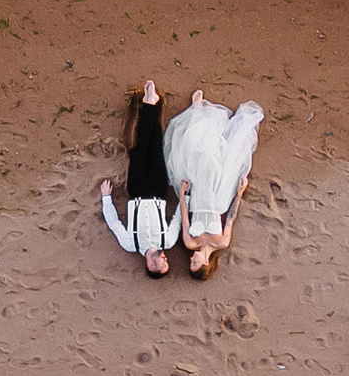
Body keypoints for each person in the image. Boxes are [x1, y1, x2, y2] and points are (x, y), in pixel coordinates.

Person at [163, 89, 264, 278]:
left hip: (198, 199)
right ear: (206, 263)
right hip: (219, 198)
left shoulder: (190, 243)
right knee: (219, 158)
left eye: (191, 262)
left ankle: (198, 110)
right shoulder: (222, 242)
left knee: (199, 154)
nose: (192, 258)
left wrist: (183, 195)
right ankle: (213, 120)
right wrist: (240, 192)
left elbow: (185, 217)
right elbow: (231, 218)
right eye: (195, 263)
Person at [99, 80, 180, 276]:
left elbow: (115, 223)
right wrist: (185, 196)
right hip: (157, 191)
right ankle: (151, 104)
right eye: (166, 262)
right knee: (156, 148)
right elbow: (178, 219)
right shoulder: (167, 241)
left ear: (151, 266)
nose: (165, 258)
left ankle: (150, 104)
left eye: (163, 263)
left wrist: (106, 198)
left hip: (135, 191)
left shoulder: (130, 244)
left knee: (139, 149)